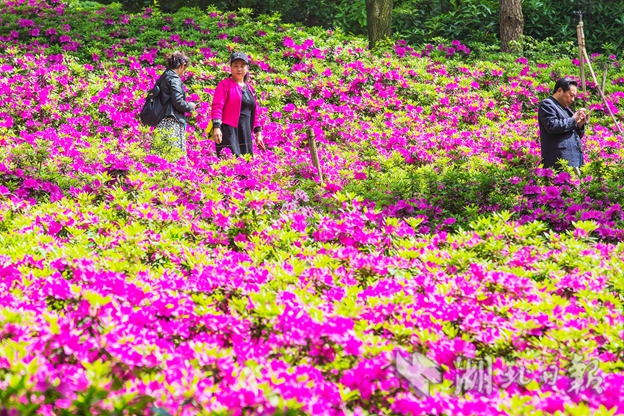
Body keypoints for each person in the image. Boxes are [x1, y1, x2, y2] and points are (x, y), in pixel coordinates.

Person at [211, 52, 264, 157]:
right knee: (231, 161)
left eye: (242, 66)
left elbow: (254, 111)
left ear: (247, 68)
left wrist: (258, 132)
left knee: (246, 163)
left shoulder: (249, 88)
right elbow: (217, 106)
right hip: (229, 131)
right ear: (230, 68)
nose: (239, 69)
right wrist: (216, 127)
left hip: (245, 131)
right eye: (235, 66)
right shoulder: (224, 85)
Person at [538, 77, 588, 173]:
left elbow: (571, 133)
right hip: (559, 160)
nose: (572, 99)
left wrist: (579, 125)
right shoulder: (548, 104)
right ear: (560, 90)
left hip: (575, 158)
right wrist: (573, 119)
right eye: (571, 95)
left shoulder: (566, 109)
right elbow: (552, 126)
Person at [152, 51, 196, 159]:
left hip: (161, 120)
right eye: (184, 69)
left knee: (161, 155)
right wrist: (190, 106)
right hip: (172, 121)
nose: (184, 72)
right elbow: (178, 102)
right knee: (174, 156)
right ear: (182, 66)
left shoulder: (164, 76)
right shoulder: (174, 79)